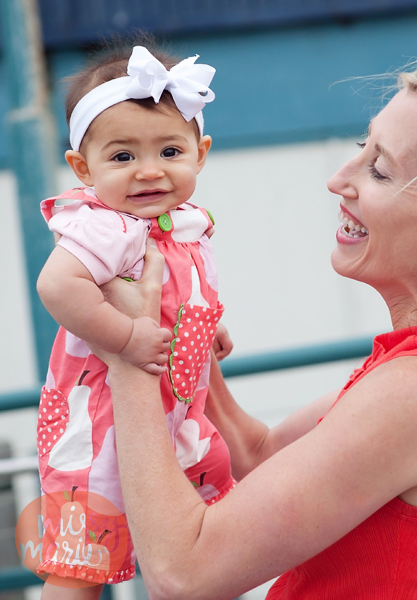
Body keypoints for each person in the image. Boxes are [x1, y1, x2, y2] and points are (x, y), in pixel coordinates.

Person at [86, 54, 417, 599]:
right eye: (359, 148)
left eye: (379, 168)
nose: (338, 179)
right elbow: (258, 453)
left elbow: (184, 572)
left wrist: (127, 351)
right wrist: (179, 327)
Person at [34, 45, 235, 595]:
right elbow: (57, 286)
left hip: (176, 420)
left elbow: (182, 286)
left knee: (203, 547)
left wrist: (204, 324)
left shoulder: (186, 222)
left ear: (200, 153)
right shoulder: (105, 227)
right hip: (103, 425)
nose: (149, 172)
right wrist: (124, 338)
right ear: (83, 168)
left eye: (170, 150)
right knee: (83, 567)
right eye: (122, 157)